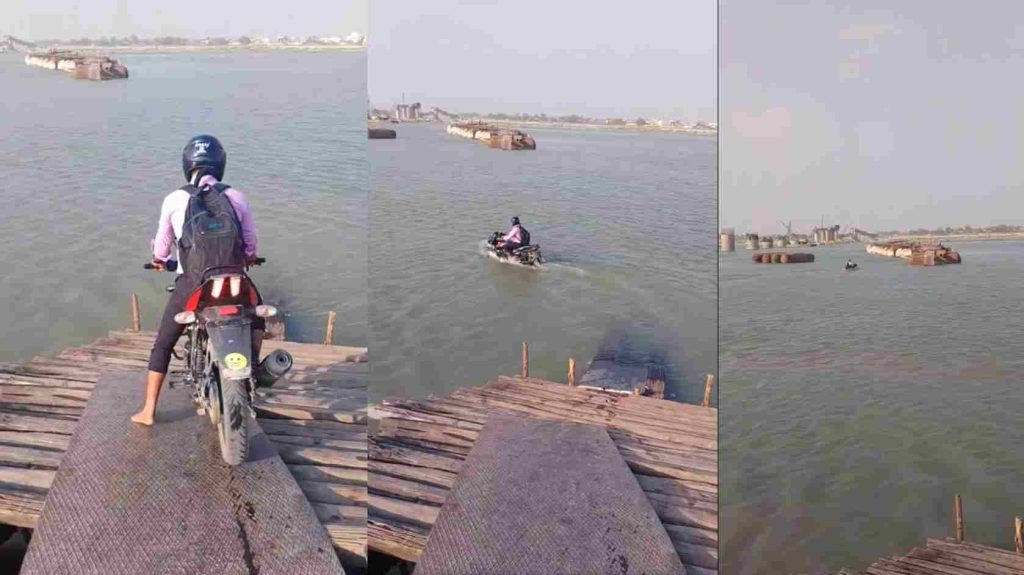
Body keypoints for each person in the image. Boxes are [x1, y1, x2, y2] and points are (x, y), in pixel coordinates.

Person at [131, 135, 262, 426]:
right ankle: (253, 368)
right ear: (221, 164)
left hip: (194, 283)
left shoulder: (175, 199)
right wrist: (250, 257)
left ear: (187, 165)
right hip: (235, 282)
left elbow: (162, 245)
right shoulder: (237, 197)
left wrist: (159, 259)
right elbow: (251, 243)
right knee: (258, 319)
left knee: (163, 344)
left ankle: (149, 411)